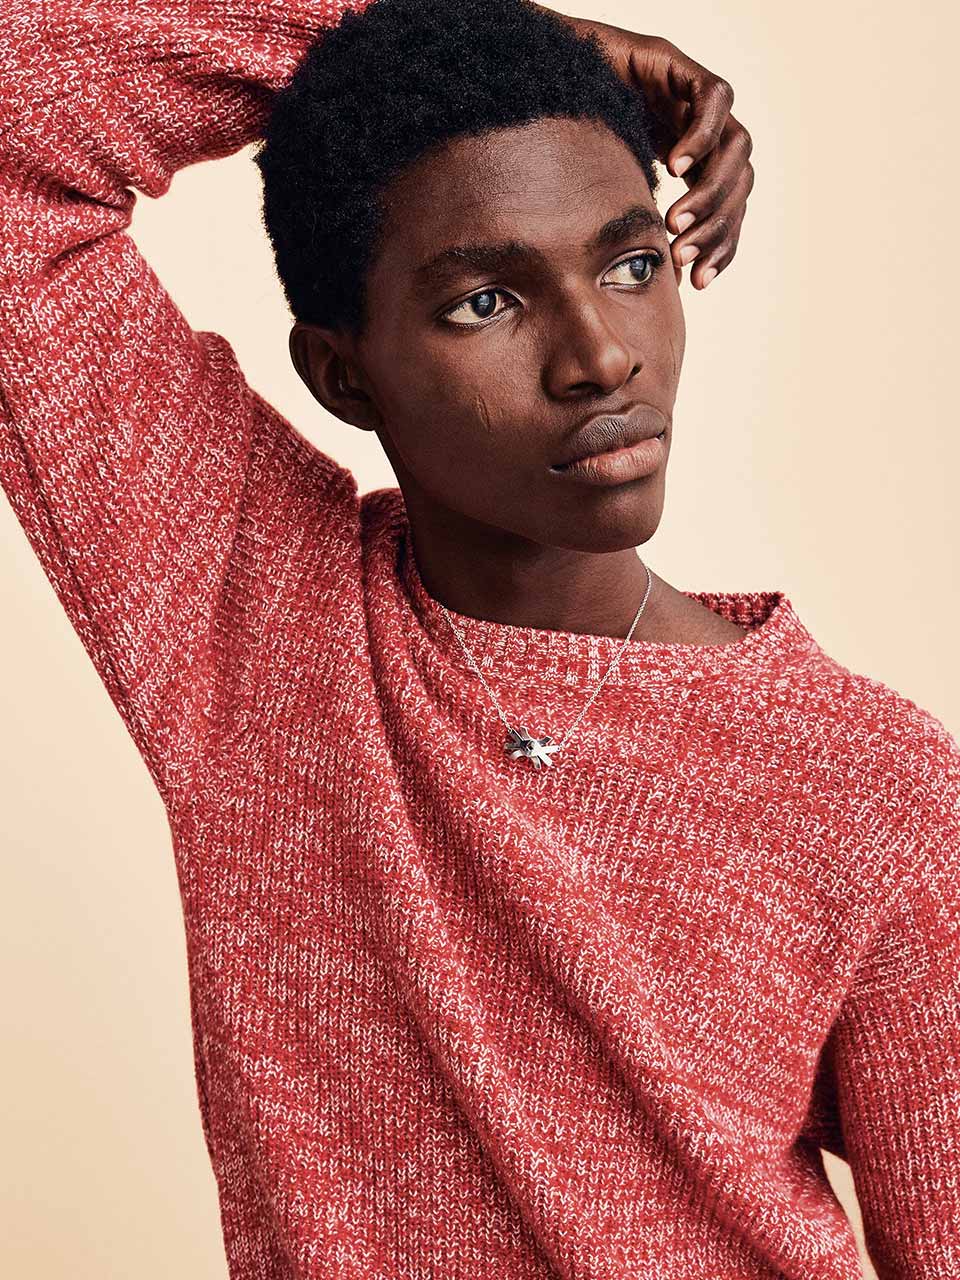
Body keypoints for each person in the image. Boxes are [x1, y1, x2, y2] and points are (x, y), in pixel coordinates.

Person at [1, 2, 957, 1279]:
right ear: (342, 375)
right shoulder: (252, 616)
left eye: (632, 263)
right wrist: (448, 28)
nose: (601, 356)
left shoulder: (873, 783)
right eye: (487, 300)